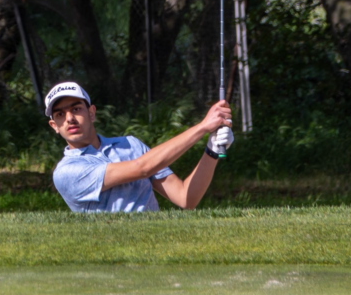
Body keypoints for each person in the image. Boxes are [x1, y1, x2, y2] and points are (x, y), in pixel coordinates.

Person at [45, 81, 234, 212]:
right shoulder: (66, 172)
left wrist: (212, 151)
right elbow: (142, 168)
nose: (69, 118)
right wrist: (202, 127)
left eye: (76, 109)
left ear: (91, 113)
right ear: (54, 126)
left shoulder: (130, 145)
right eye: (60, 114)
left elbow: (186, 198)